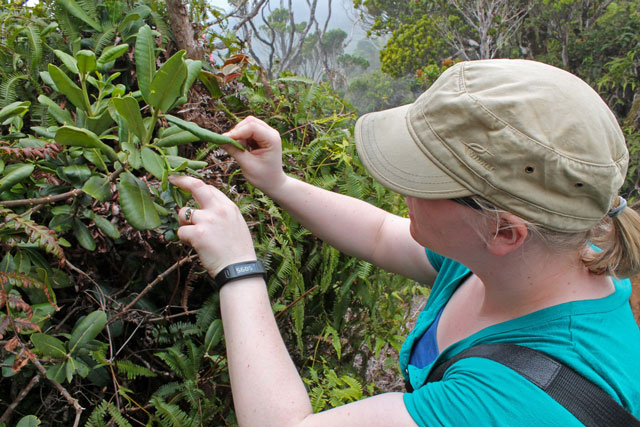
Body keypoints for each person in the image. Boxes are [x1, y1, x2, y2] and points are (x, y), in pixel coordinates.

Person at [168, 59, 640, 426]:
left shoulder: (514, 401)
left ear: (504, 231)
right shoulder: (544, 256)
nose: (403, 190)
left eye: (426, 179)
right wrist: (280, 183)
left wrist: (237, 268)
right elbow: (380, 235)